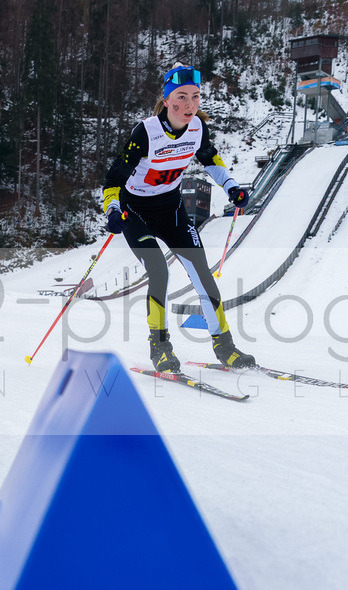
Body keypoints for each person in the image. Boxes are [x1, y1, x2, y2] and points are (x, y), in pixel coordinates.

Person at [102, 64, 255, 372]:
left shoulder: (198, 128)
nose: (189, 105)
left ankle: (225, 346)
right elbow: (114, 176)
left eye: (195, 97)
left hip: (171, 209)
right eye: (181, 97)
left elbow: (210, 159)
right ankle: (159, 347)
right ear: (168, 99)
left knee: (201, 271)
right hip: (136, 211)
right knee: (159, 271)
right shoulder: (146, 132)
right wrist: (113, 209)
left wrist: (231, 187)